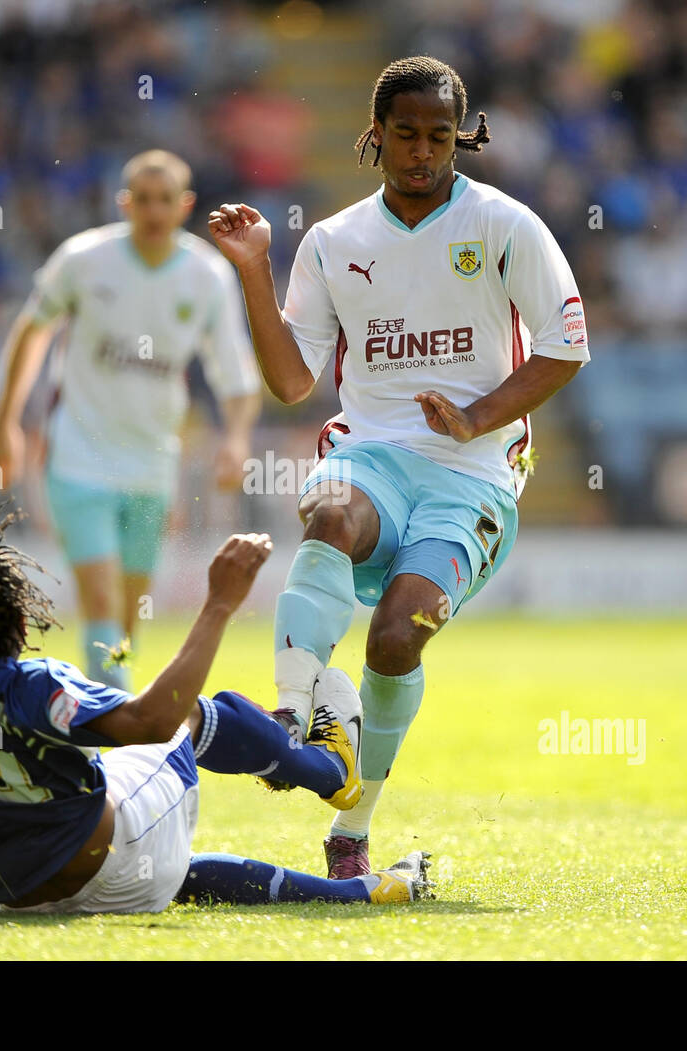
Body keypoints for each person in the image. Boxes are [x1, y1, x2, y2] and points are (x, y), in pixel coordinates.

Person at [208, 56, 590, 877]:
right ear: (376, 134)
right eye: (407, 134)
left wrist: (479, 416)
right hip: (370, 452)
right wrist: (251, 271)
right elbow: (290, 381)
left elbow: (566, 348)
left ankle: (353, 826)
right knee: (332, 514)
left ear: (461, 139)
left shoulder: (504, 226)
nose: (422, 151)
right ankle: (292, 709)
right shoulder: (335, 240)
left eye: (440, 136)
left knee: (393, 641)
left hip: (476, 473)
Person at [0, 502, 432, 913]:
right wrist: (218, 605)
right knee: (184, 718)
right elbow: (153, 721)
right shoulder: (37, 685)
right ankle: (326, 770)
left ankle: (356, 890)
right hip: (110, 860)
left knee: (151, 852)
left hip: (20, 896)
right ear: (18, 620)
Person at [0, 149, 262, 690]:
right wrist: (5, 423)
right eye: (143, 200)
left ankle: (109, 695)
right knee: (101, 596)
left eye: (166, 200)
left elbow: (236, 373)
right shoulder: (84, 260)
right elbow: (32, 332)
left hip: (153, 461)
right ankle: (110, 718)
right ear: (125, 203)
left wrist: (236, 438)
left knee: (130, 611)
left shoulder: (207, 274)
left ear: (184, 206)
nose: (154, 211)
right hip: (78, 451)